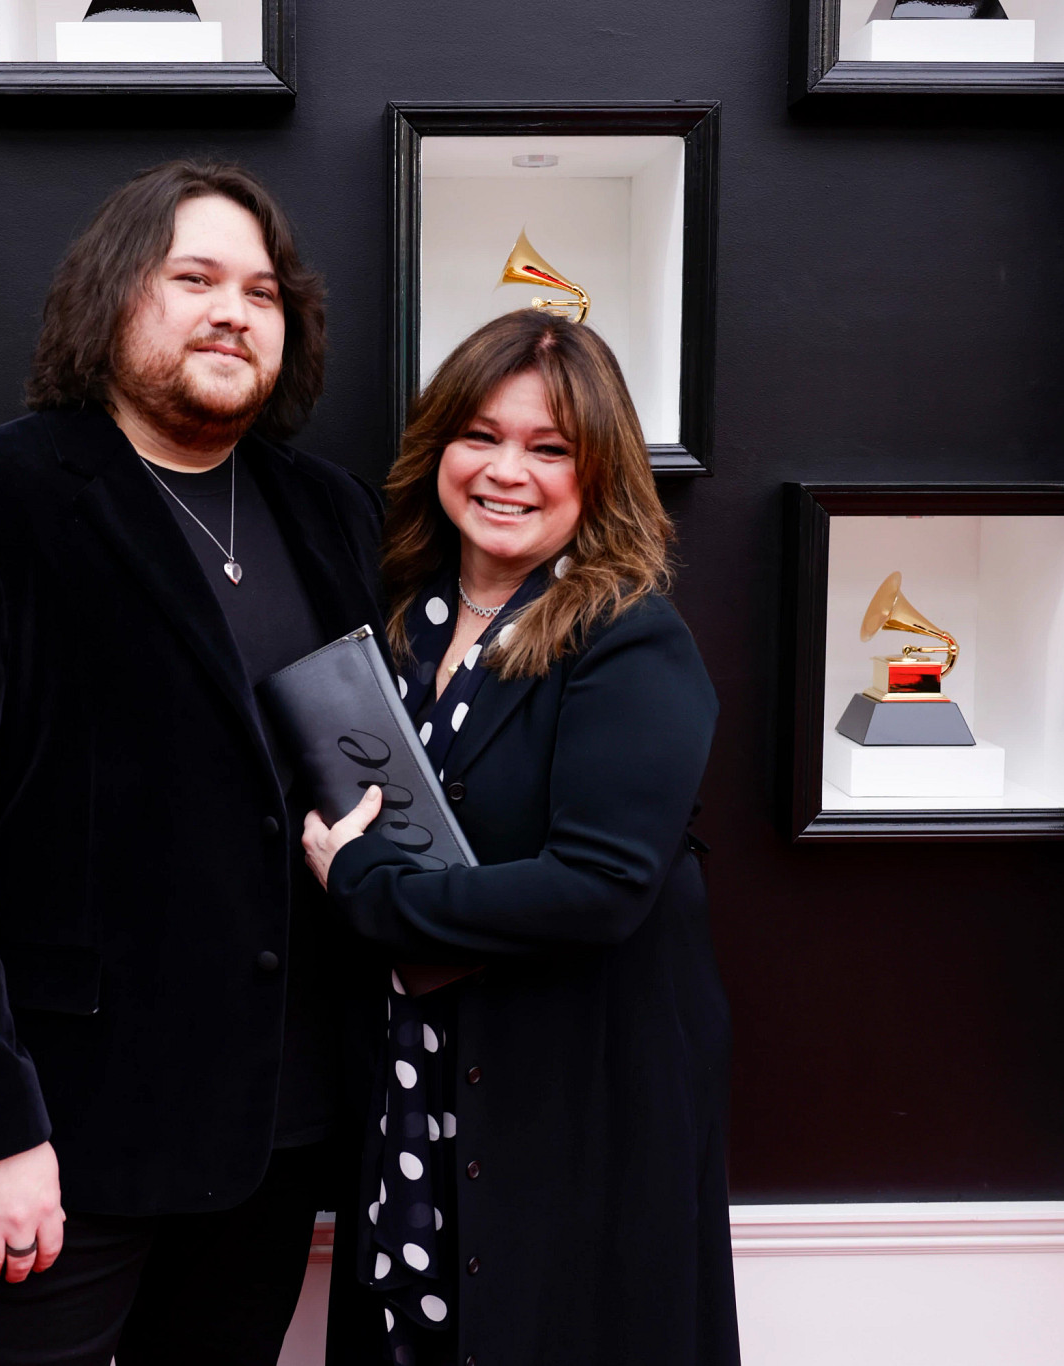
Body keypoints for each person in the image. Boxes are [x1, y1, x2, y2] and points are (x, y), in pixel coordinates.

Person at [0, 160, 385, 1366]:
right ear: (110, 298)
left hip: (274, 1135)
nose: (233, 309)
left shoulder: (328, 511)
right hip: (54, 1141)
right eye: (194, 277)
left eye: (263, 289)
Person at [302, 310, 740, 1366]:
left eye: (549, 448)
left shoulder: (629, 634)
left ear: (600, 474)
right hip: (424, 1083)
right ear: (437, 449)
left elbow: (596, 885)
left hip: (576, 1104)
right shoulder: (410, 620)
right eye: (480, 436)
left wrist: (363, 887)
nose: (508, 471)